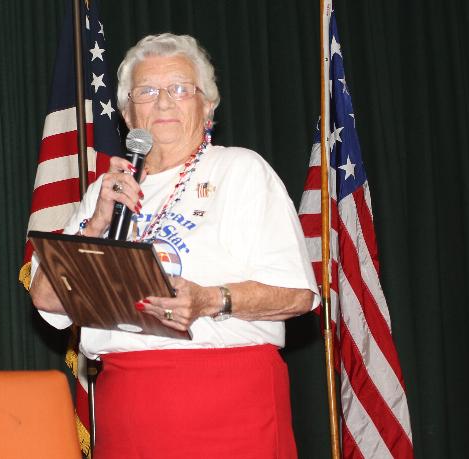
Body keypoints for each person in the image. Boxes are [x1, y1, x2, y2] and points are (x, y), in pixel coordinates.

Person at [29, 33, 318, 458]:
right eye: (146, 92)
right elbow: (46, 297)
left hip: (229, 407)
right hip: (127, 409)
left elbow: (298, 295)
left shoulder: (240, 170)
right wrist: (95, 225)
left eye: (181, 89)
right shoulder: (106, 190)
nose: (163, 103)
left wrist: (210, 299)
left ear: (207, 107)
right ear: (128, 114)